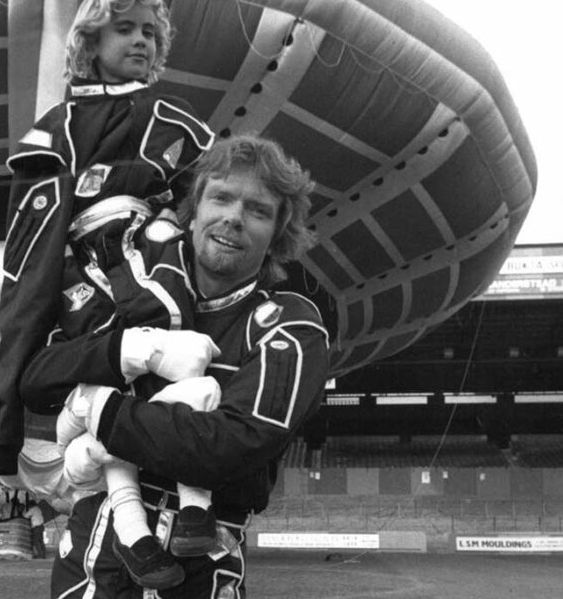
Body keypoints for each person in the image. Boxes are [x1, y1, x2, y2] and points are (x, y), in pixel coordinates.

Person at [0, 0, 216, 587]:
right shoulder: (54, 131)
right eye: (123, 28)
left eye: (148, 32)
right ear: (90, 40)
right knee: (118, 375)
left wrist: (166, 220)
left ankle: (191, 512)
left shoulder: (174, 117)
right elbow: (27, 271)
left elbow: (214, 196)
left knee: (174, 343)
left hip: (154, 251)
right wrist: (1, 432)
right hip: (83, 272)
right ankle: (139, 529)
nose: (140, 41)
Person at [19, 134, 330, 598]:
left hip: (200, 573)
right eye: (221, 197)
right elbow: (37, 379)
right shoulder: (128, 286)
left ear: (278, 232)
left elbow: (231, 444)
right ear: (195, 208)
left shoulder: (291, 324)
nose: (233, 218)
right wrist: (124, 348)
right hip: (88, 566)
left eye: (258, 210)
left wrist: (101, 410)